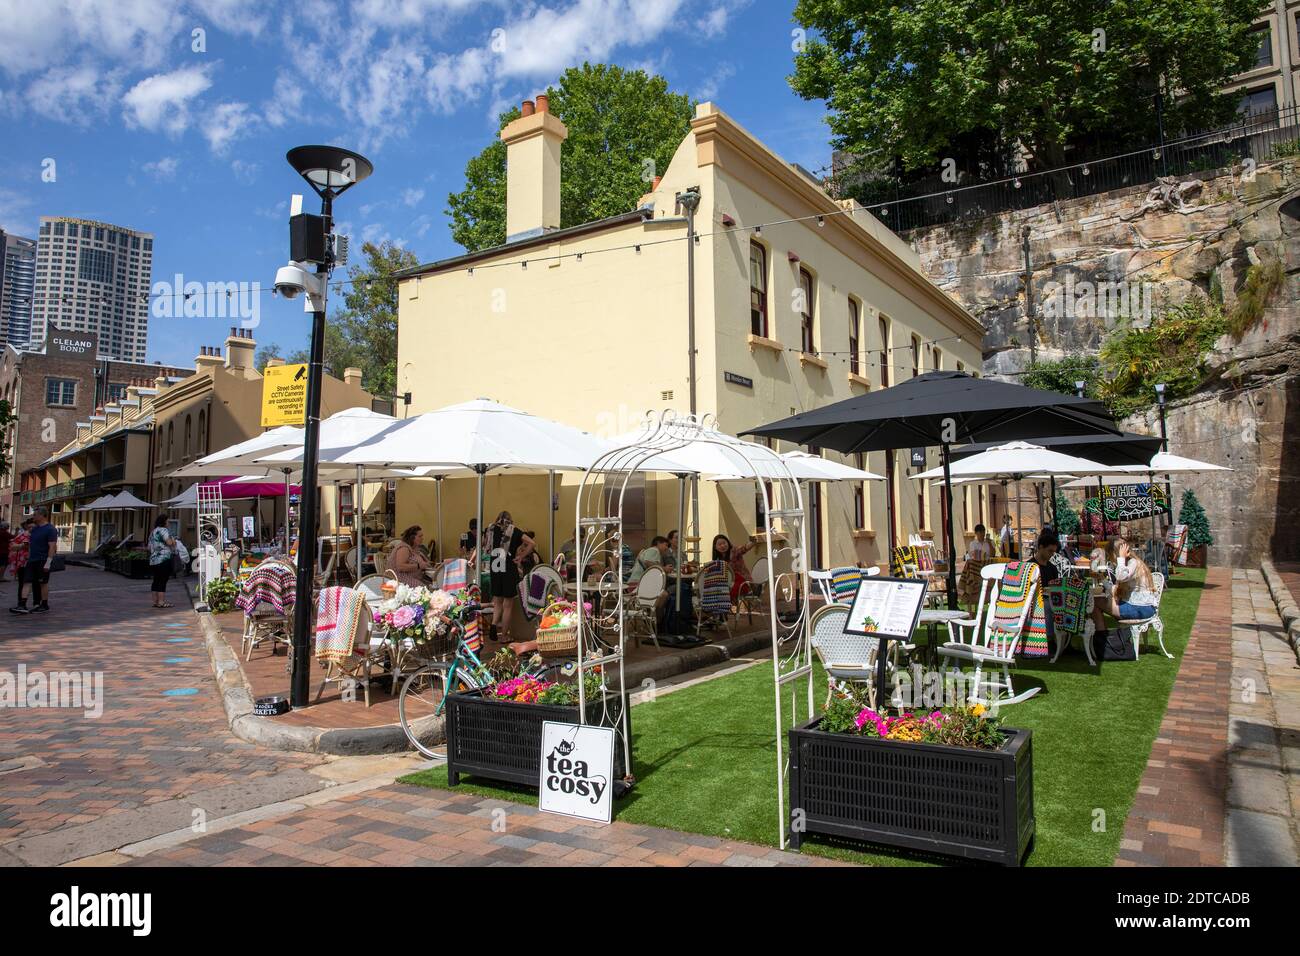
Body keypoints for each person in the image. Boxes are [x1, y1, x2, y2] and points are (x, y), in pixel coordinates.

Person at [1090, 536, 1158, 638]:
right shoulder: (1129, 564)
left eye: (1110, 555)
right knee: (1099, 601)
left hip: (1140, 608)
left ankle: (1102, 641)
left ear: (1114, 554)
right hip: (1141, 606)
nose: (1110, 559)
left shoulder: (1133, 563)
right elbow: (1115, 591)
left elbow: (1120, 576)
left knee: (1095, 603)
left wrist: (1121, 558)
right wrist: (1102, 578)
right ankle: (1104, 640)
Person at [486, 510, 534, 640]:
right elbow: (531, 543)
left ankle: (494, 624)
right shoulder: (515, 531)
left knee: (497, 602)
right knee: (508, 605)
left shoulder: (491, 529)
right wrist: (520, 557)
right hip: (508, 567)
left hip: (495, 567)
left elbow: (486, 547)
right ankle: (504, 637)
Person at [17, 507, 57, 614]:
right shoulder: (34, 529)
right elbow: (30, 544)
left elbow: (52, 547)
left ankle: (44, 604)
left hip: (42, 559)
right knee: (27, 581)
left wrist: (48, 562)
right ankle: (22, 605)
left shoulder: (50, 529)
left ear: (41, 516)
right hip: (31, 560)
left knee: (43, 583)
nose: (33, 517)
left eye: (35, 515)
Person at [711, 533, 755, 605]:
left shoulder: (734, 551)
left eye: (724, 543)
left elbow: (744, 548)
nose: (722, 546)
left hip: (743, 582)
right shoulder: (718, 559)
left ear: (728, 543)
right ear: (715, 547)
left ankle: (722, 610)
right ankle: (719, 612)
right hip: (730, 583)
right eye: (719, 544)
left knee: (724, 592)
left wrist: (752, 542)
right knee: (713, 590)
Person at [148, 514, 178, 608]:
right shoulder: (164, 530)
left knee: (156, 580)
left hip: (153, 560)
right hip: (163, 559)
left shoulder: (153, 532)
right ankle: (161, 602)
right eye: (168, 521)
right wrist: (173, 541)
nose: (168, 523)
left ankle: (155, 601)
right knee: (162, 581)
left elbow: (149, 547)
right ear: (164, 521)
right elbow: (169, 542)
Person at [7, 517, 34, 612]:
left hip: (34, 561)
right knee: (22, 583)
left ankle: (37, 603)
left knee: (35, 583)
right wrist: (22, 546)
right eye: (29, 527)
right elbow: (12, 545)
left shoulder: (37, 535)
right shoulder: (23, 535)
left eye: (33, 527)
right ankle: (21, 603)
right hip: (22, 562)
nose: (31, 529)